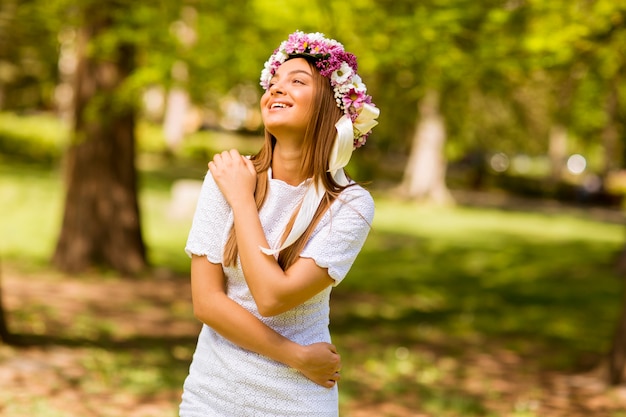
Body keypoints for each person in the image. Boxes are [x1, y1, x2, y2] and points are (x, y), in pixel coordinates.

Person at [179, 31, 379, 417]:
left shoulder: (350, 204)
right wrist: (297, 356)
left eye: (296, 81)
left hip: (297, 403)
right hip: (210, 397)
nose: (276, 89)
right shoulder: (227, 177)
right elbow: (207, 302)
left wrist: (241, 201)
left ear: (332, 105)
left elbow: (273, 297)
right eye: (272, 83)